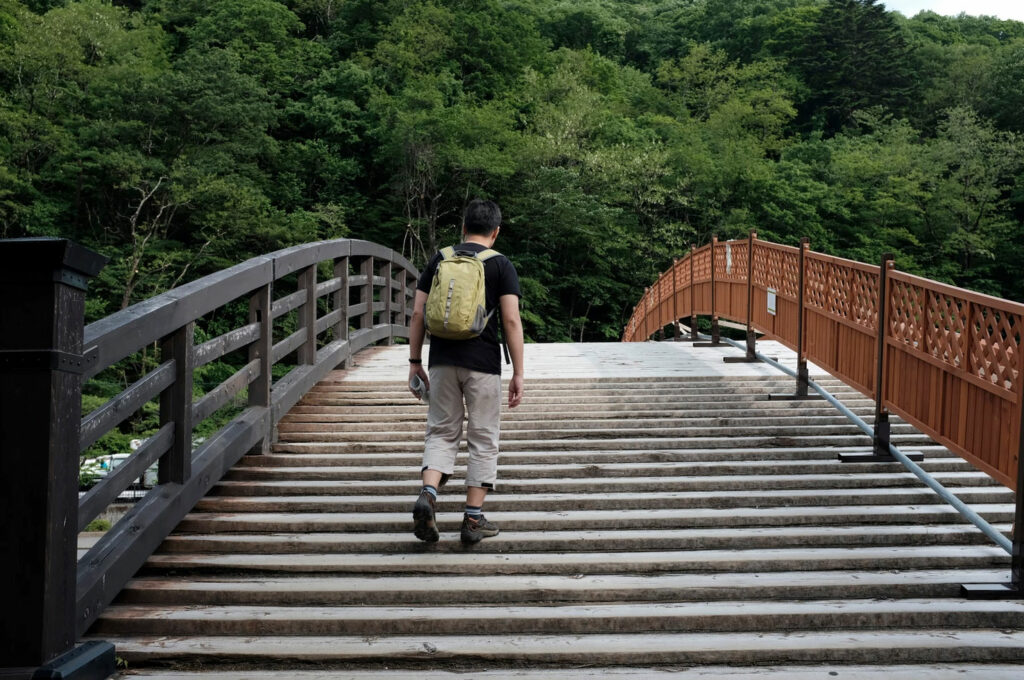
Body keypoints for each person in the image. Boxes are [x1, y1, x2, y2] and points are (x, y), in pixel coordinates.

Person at [407, 198, 525, 544]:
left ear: (463, 228)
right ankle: (473, 520)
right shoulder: (500, 265)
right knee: (483, 437)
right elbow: (511, 320)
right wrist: (518, 371)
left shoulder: (440, 258)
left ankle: (428, 494)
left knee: (442, 432)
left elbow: (417, 314)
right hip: (484, 364)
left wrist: (415, 362)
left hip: (442, 360)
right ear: (496, 232)